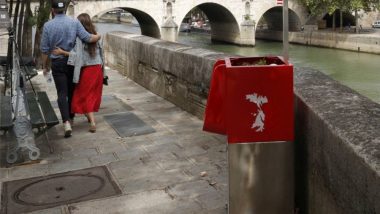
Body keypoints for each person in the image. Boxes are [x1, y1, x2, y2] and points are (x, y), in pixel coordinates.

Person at [40, 0, 101, 137]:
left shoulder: (48, 26)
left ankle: (66, 122)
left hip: (58, 63)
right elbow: (87, 38)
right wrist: (98, 36)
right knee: (72, 91)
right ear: (65, 10)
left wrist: (45, 66)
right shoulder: (74, 23)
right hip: (73, 62)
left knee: (62, 93)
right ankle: (72, 118)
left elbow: (44, 49)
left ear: (53, 10)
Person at [52, 13, 105, 133]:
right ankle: (88, 116)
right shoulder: (96, 35)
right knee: (92, 94)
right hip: (98, 69)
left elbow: (77, 57)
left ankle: (92, 122)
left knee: (82, 95)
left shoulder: (79, 38)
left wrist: (62, 52)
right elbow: (103, 54)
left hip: (87, 70)